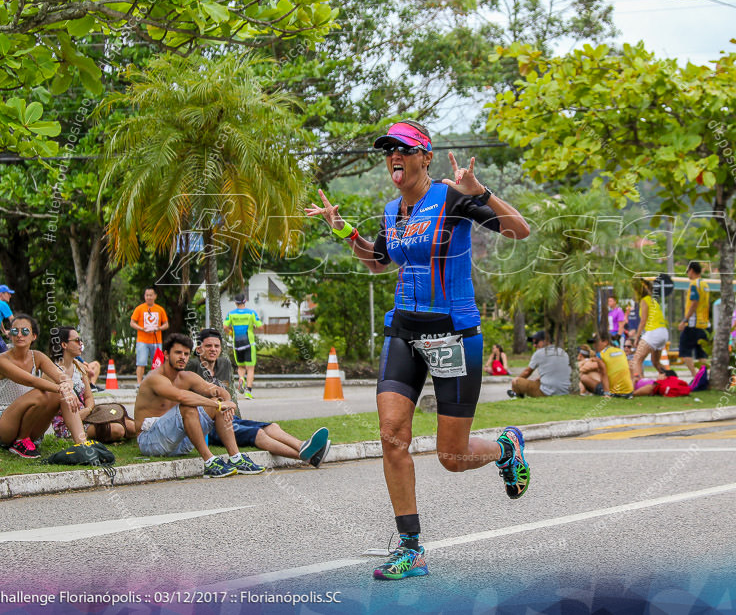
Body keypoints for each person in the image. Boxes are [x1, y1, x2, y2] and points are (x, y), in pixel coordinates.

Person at [305, 119, 532, 580]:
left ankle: (506, 447)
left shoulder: (452, 198)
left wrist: (481, 192)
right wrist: (346, 231)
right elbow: (379, 262)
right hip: (404, 332)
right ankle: (412, 549)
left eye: (403, 149)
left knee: (452, 457)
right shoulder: (393, 211)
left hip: (452, 332)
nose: (394, 155)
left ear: (424, 157)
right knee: (392, 435)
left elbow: (519, 231)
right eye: (388, 149)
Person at [186, 329, 330, 466]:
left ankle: (303, 446)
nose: (213, 349)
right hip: (208, 425)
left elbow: (225, 393)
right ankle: (309, 457)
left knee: (272, 426)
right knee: (258, 434)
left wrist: (228, 403)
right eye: (208, 346)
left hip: (227, 417)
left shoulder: (223, 364)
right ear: (199, 349)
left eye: (216, 346)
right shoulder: (192, 367)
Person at [134, 332, 264, 478]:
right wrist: (218, 405)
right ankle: (210, 462)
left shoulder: (187, 376)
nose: (182, 357)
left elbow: (218, 391)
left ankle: (236, 458)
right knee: (190, 405)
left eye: (186, 354)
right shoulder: (155, 378)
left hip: (179, 443)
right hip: (151, 442)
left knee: (217, 403)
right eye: (178, 353)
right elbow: (181, 396)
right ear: (166, 354)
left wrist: (227, 403)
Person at [0, 314, 94, 459]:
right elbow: (30, 381)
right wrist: (61, 388)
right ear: (10, 335)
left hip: (28, 424)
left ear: (33, 336)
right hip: (0, 424)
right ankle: (21, 441)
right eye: (15, 331)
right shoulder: (0, 361)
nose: (20, 335)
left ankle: (82, 444)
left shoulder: (37, 356)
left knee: (59, 394)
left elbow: (62, 377)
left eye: (25, 331)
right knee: (41, 394)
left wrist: (66, 388)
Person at [49, 326, 136, 442]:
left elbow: (89, 397)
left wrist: (88, 410)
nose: (81, 343)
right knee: (117, 430)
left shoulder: (79, 367)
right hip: (67, 424)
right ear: (64, 345)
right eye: (76, 340)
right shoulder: (51, 371)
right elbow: (48, 405)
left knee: (132, 427)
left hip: (89, 416)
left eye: (80, 340)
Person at [629, 278, 670, 384]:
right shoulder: (653, 300)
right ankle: (670, 378)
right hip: (663, 332)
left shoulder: (644, 300)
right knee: (655, 362)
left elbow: (643, 321)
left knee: (636, 359)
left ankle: (641, 383)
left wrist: (637, 337)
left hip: (654, 332)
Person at [223, 293, 263, 399]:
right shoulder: (251, 313)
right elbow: (260, 327)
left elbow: (225, 326)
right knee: (250, 368)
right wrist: (254, 327)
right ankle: (248, 392)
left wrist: (231, 333)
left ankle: (241, 379)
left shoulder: (231, 314)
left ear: (236, 303)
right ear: (245, 301)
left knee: (241, 366)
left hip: (237, 344)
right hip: (249, 343)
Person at [510, 331, 571, 398]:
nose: (534, 345)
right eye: (533, 343)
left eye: (536, 342)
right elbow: (556, 370)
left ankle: (515, 394)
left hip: (548, 393)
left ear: (545, 341)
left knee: (516, 381)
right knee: (536, 381)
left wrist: (517, 381)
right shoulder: (562, 352)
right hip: (566, 391)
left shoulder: (539, 353)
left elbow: (527, 372)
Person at [677, 261, 711, 377]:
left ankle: (695, 375)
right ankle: (703, 377)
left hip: (693, 324)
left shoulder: (694, 284)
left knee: (684, 350)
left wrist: (684, 320)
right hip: (704, 324)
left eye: (688, 272)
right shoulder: (705, 285)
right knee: (701, 353)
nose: (688, 274)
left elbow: (694, 302)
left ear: (691, 270)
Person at [130, 287, 169, 387]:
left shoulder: (160, 309)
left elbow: (166, 324)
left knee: (157, 363)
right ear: (144, 296)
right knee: (141, 362)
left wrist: (158, 328)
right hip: (142, 340)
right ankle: (139, 383)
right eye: (147, 295)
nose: (149, 297)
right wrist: (142, 328)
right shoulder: (139, 308)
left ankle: (157, 382)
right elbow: (132, 323)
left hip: (156, 340)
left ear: (155, 296)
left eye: (151, 295)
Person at [590, 330, 634, 397]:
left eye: (596, 342)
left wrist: (607, 394)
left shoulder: (601, 354)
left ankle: (607, 393)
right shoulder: (621, 351)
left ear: (605, 342)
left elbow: (603, 374)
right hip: (628, 392)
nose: (594, 345)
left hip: (615, 393)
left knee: (585, 377)